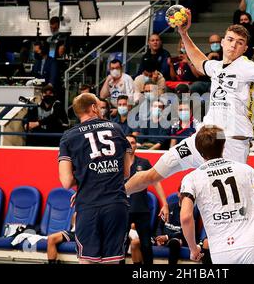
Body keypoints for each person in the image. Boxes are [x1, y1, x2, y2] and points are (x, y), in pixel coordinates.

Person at [125, 10, 254, 196]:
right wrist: (184, 34)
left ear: (245, 49)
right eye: (231, 40)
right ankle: (116, 196)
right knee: (153, 174)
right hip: (203, 139)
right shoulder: (216, 67)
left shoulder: (248, 67)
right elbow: (200, 60)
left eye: (239, 43)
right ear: (223, 42)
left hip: (232, 144)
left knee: (232, 200)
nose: (233, 45)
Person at [179, 125, 254, 263]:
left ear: (199, 150)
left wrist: (193, 248)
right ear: (224, 145)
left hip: (221, 251)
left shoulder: (191, 178)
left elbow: (185, 217)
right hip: (251, 245)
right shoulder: (246, 170)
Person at [58, 93, 132, 264]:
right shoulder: (116, 128)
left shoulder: (69, 137)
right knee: (112, 260)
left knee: (87, 260)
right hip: (115, 203)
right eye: (99, 105)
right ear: (92, 108)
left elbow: (66, 181)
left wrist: (87, 179)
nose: (101, 109)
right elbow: (126, 172)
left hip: (88, 205)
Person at [125, 134, 168, 265]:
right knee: (120, 245)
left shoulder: (143, 162)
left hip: (141, 210)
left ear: (136, 146)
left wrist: (165, 203)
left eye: (132, 143)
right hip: (123, 210)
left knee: (146, 245)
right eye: (127, 142)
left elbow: (156, 182)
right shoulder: (118, 164)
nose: (130, 145)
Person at [155, 186, 187, 264]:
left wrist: (167, 237)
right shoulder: (168, 207)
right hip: (162, 237)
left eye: (187, 194)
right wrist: (158, 237)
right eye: (182, 193)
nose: (184, 196)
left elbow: (186, 233)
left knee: (175, 242)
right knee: (139, 242)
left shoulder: (190, 211)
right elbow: (159, 226)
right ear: (178, 194)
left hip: (176, 238)